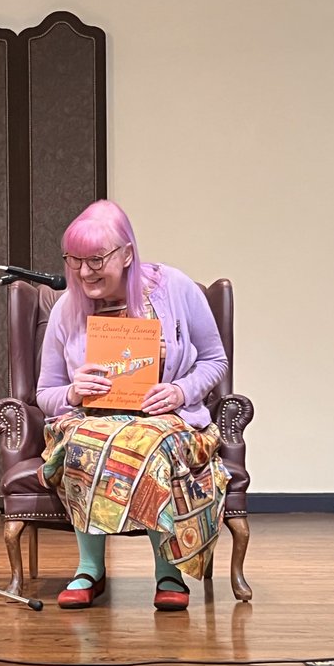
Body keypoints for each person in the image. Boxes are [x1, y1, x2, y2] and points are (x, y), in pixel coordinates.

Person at [36, 199, 231, 612]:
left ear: (126, 254)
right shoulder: (66, 308)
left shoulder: (175, 288)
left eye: (96, 260)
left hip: (166, 419)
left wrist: (181, 391)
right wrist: (72, 393)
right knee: (85, 441)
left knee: (152, 443)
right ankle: (90, 569)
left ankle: (168, 571)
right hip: (90, 420)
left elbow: (216, 360)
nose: (84, 272)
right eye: (74, 260)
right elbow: (45, 392)